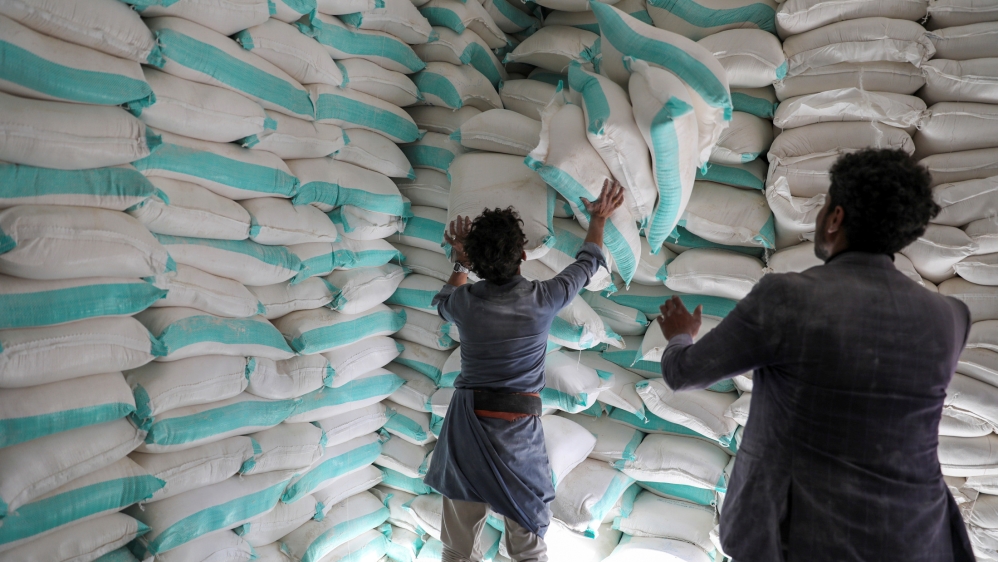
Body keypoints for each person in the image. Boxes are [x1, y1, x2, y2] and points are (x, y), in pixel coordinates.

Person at [657, 148, 975, 562]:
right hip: (918, 538)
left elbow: (684, 374)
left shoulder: (788, 297)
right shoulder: (950, 317)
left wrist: (680, 335)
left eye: (825, 205)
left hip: (805, 540)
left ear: (835, 218)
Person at [423, 180, 625, 562]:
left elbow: (442, 301)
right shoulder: (543, 298)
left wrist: (459, 262)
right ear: (524, 255)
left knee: (457, 546)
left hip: (465, 428)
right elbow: (588, 263)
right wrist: (598, 218)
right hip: (516, 432)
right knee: (527, 541)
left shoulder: (465, 302)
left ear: (478, 263)